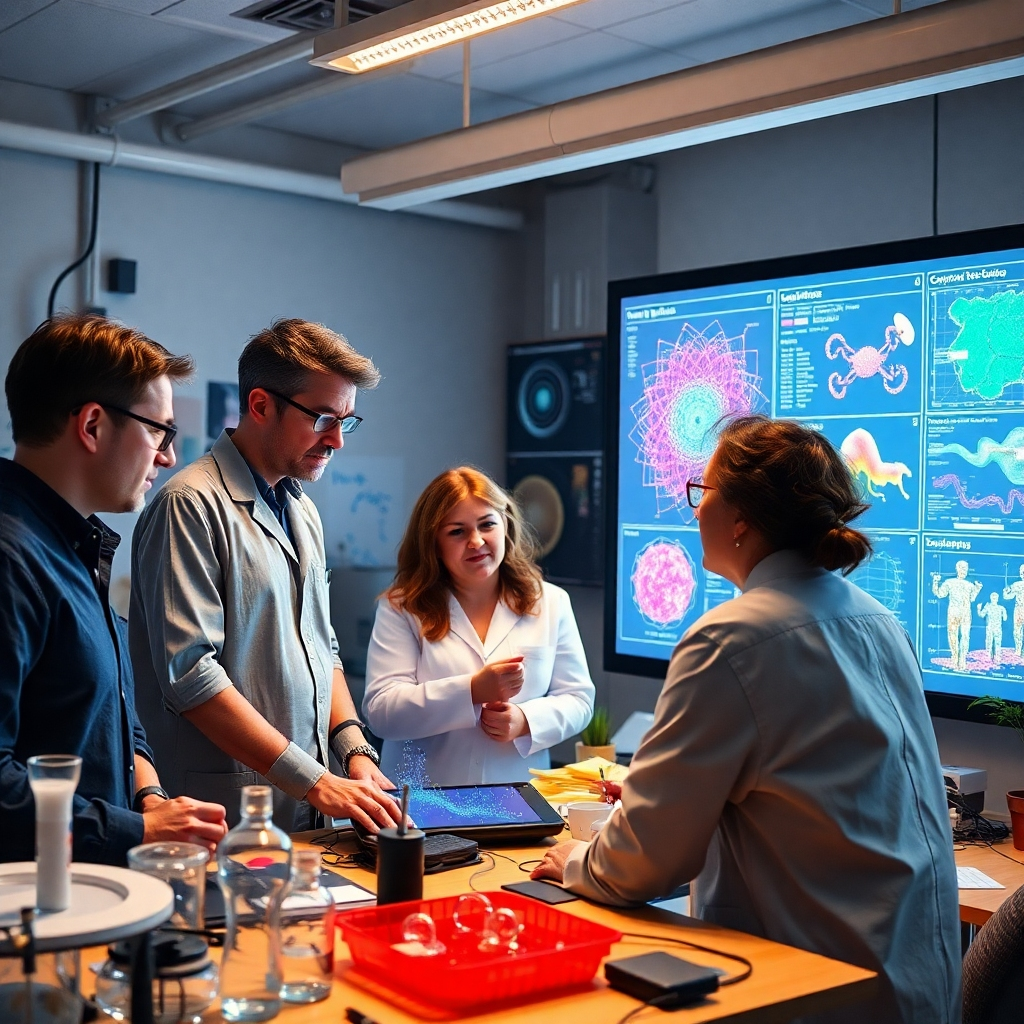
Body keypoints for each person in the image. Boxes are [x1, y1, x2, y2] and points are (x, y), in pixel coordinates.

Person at [532, 416, 960, 1024]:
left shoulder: (730, 639)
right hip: (911, 981)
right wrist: (673, 794)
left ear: (740, 519)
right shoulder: (877, 619)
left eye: (701, 493)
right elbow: (818, 788)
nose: (694, 510)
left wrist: (578, 862)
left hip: (812, 987)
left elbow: (648, 862)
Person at [130, 319, 401, 832]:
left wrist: (355, 750)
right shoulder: (187, 505)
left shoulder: (303, 511)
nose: (338, 441)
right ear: (260, 405)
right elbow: (191, 678)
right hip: (224, 815)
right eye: (323, 418)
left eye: (347, 420)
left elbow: (325, 650)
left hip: (308, 810)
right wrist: (317, 780)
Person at [0, 314, 228, 864]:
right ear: (94, 425)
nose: (169, 456)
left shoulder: (76, 548)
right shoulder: (12, 560)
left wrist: (148, 799)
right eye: (159, 431)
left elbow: (107, 717)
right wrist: (133, 830)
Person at [363, 467, 594, 786]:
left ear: (506, 524)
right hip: (423, 804)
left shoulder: (551, 602)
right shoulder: (402, 608)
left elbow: (579, 699)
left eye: (487, 524)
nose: (476, 541)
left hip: (517, 800)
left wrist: (526, 721)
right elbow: (381, 713)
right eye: (457, 531)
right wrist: (471, 691)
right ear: (433, 543)